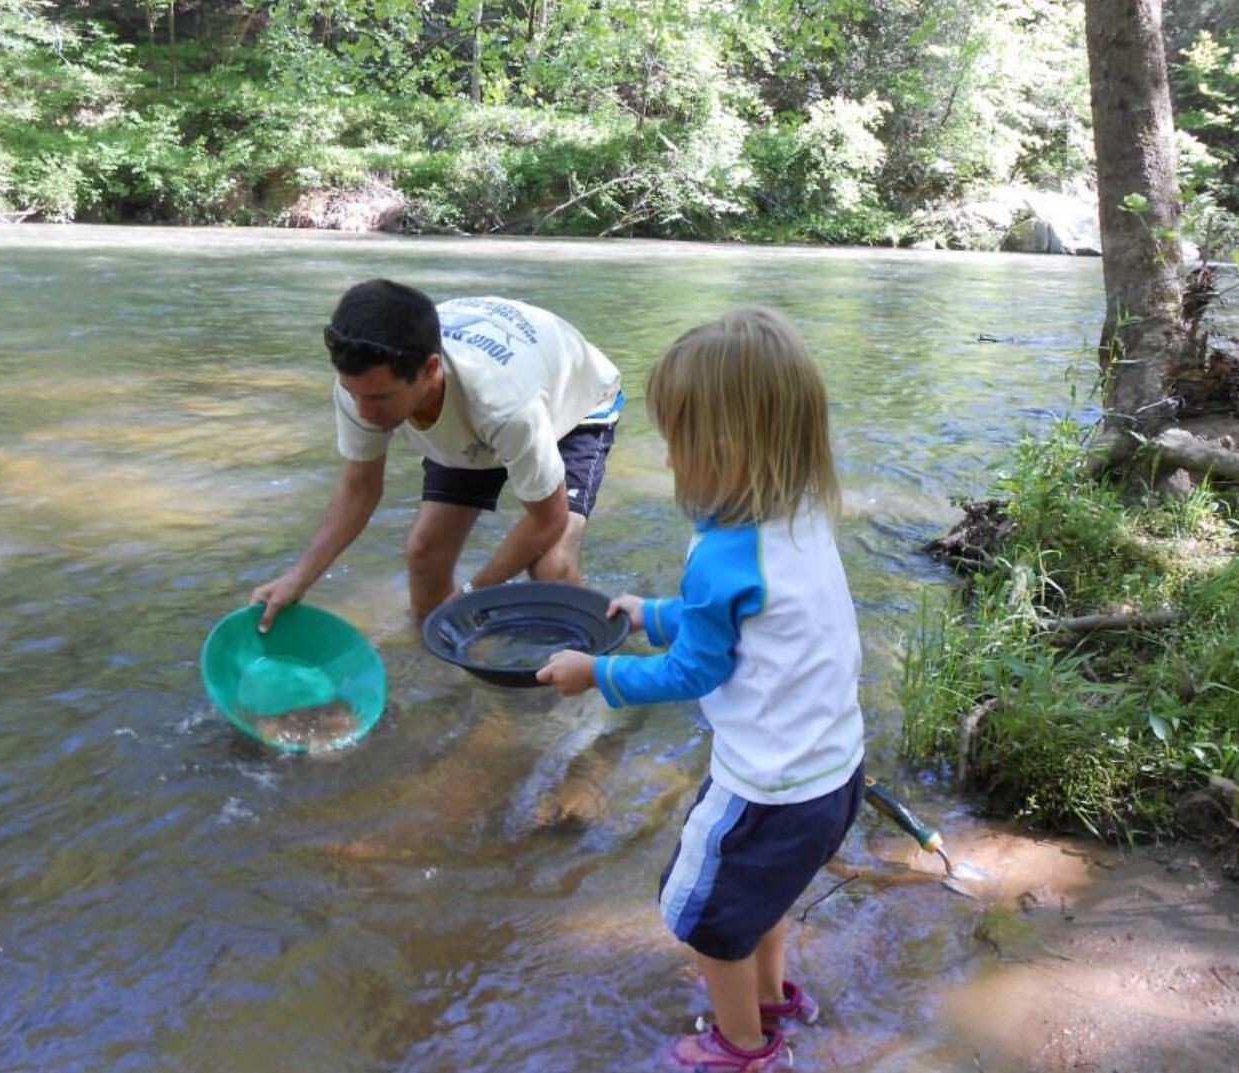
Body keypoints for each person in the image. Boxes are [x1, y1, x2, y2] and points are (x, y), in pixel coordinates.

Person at [536, 307, 865, 1071]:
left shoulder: (720, 553)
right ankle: (773, 991)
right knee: (764, 896)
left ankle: (742, 1045)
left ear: (720, 447)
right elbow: (747, 620)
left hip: (764, 787)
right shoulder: (802, 514)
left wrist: (597, 673)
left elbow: (698, 669)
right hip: (833, 771)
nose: (672, 457)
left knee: (704, 915)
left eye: (678, 438)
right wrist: (653, 613)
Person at [251, 279, 623, 627]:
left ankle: (592, 665)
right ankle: (441, 672)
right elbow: (359, 492)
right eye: (354, 393)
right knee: (425, 553)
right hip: (472, 408)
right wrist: (297, 580)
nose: (364, 412)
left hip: (574, 402)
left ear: (430, 369)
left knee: (549, 568)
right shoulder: (363, 384)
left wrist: (472, 595)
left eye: (380, 398)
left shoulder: (505, 406)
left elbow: (548, 519)